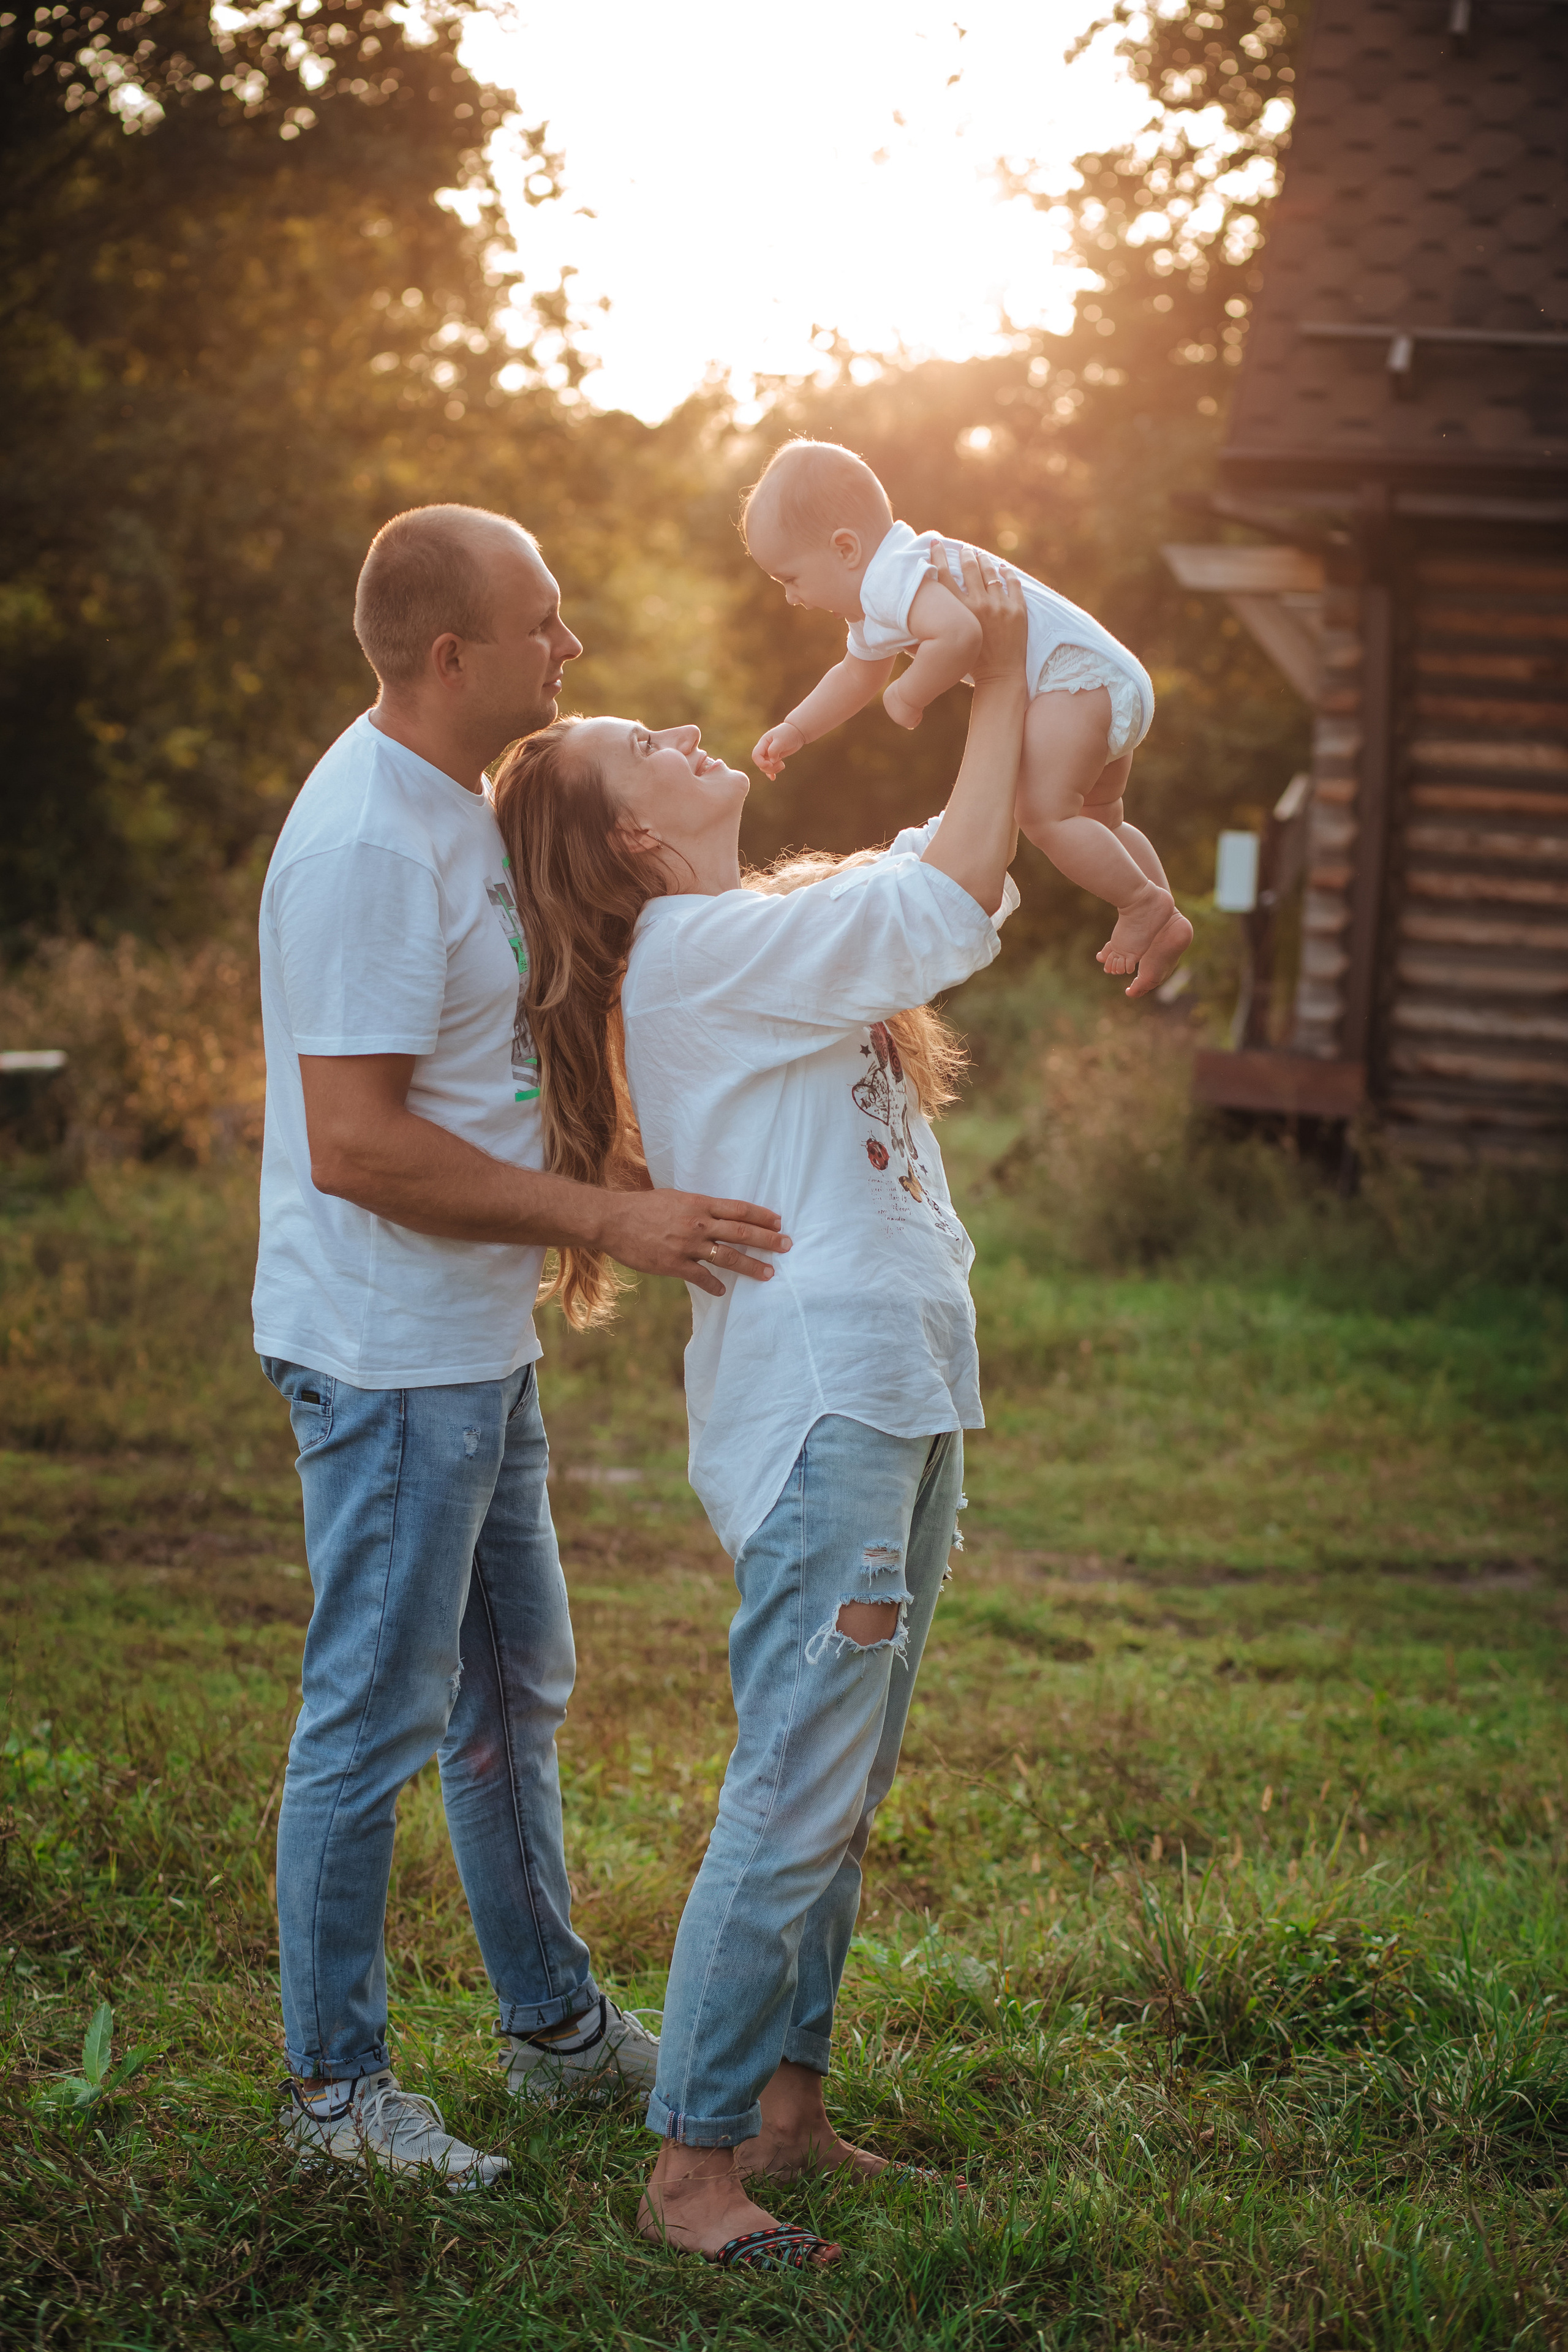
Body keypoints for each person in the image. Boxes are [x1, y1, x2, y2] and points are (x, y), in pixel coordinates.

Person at [491, 550, 1027, 2269]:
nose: (679, 731)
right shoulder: (700, 952)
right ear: (631, 841)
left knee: (840, 1785)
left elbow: (958, 866)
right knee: (795, 1786)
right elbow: (950, 886)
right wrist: (997, 673)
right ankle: (691, 2171)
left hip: (900, 1389)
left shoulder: (756, 926)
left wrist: (1029, 707)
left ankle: (789, 2110)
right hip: (826, 1410)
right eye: (641, 748)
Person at [254, 502, 793, 2192]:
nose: (571, 648)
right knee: (374, 1716)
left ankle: (551, 2027)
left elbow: (494, 1055)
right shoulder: (366, 843)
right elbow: (357, 1146)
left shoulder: (455, 806)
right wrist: (610, 1221)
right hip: (388, 1357)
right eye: (544, 624)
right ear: (449, 655)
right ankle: (335, 2097)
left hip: (470, 1346)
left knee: (509, 1699)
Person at [745, 436, 1192, 999]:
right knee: (1097, 819)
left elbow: (959, 635)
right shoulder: (885, 590)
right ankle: (1165, 919)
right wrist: (797, 727)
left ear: (845, 549)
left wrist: (909, 694)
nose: (791, 598)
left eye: (790, 578)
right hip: (1100, 681)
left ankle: (1141, 903)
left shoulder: (894, 576)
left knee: (1043, 814)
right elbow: (855, 674)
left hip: (1073, 680)